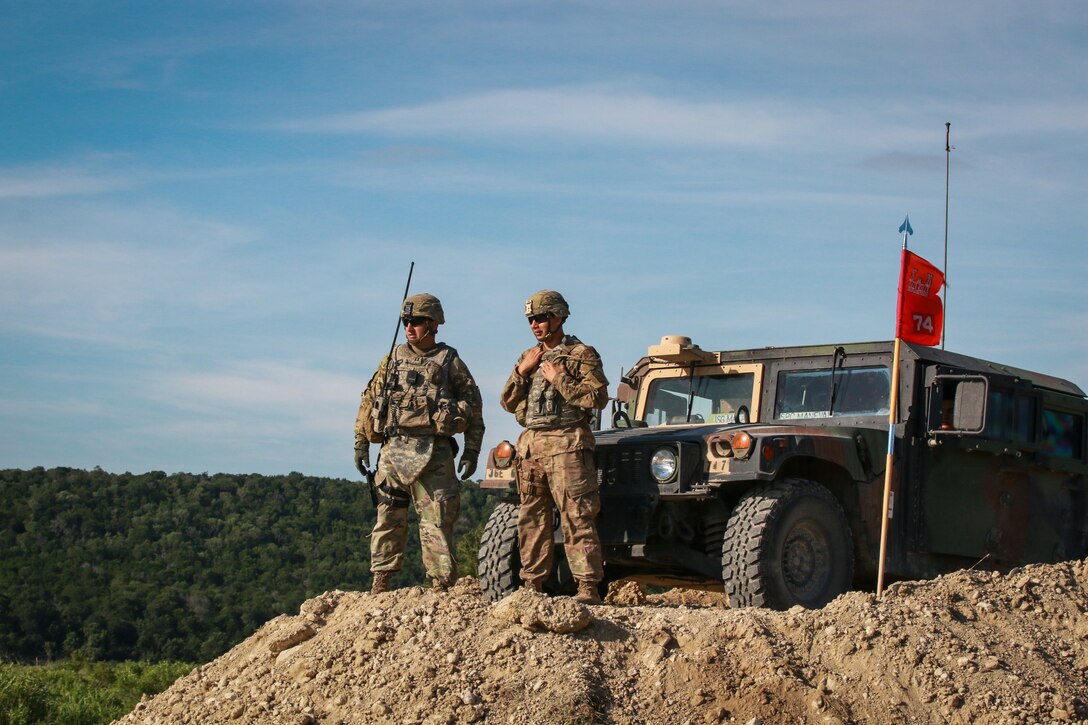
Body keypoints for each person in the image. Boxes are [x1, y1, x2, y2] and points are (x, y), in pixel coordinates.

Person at [354, 293, 484, 594]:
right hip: (393, 450)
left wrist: (472, 449)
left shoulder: (449, 361)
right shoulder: (392, 359)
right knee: (388, 518)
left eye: (416, 322)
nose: (409, 327)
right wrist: (361, 443)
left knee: (437, 521)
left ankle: (441, 587)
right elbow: (369, 401)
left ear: (434, 324)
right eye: (405, 322)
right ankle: (380, 582)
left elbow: (473, 406)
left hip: (434, 452)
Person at [499, 290, 609, 604]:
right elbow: (508, 402)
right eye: (531, 319)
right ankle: (532, 585)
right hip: (532, 448)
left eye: (541, 317)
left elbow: (597, 398)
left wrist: (560, 378)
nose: (535, 324)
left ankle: (587, 587)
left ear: (558, 316)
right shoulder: (528, 357)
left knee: (577, 514)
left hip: (569, 445)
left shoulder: (581, 353)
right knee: (531, 518)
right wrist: (522, 371)